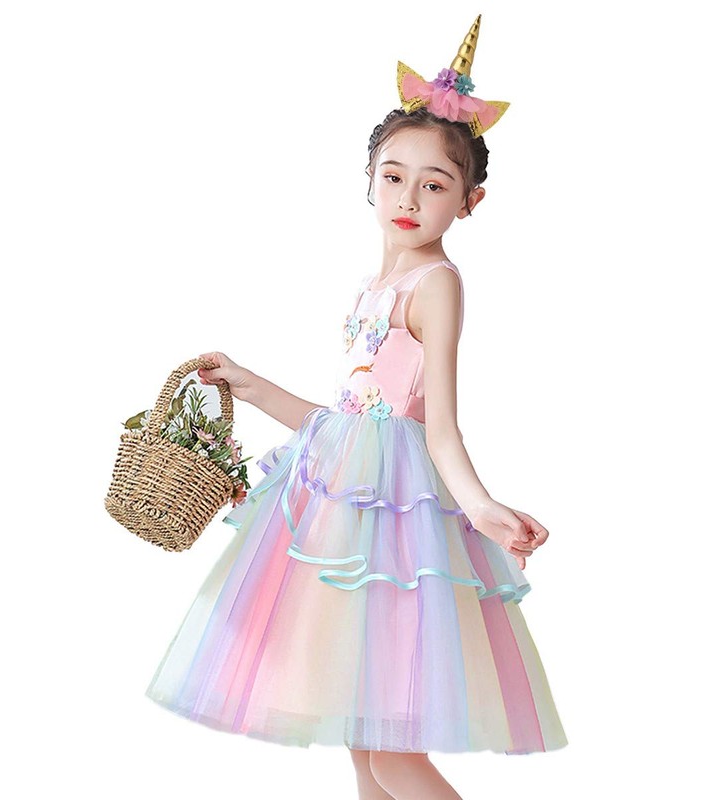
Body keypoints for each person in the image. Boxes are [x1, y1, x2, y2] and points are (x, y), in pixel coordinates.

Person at [144, 15, 568, 799]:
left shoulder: (435, 286)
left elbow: (439, 428)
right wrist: (248, 383)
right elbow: (346, 419)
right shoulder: (375, 287)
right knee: (364, 744)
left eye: (434, 184)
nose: (409, 197)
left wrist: (481, 507)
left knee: (393, 752)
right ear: (368, 179)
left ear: (469, 200)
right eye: (394, 176)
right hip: (348, 506)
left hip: (392, 524)